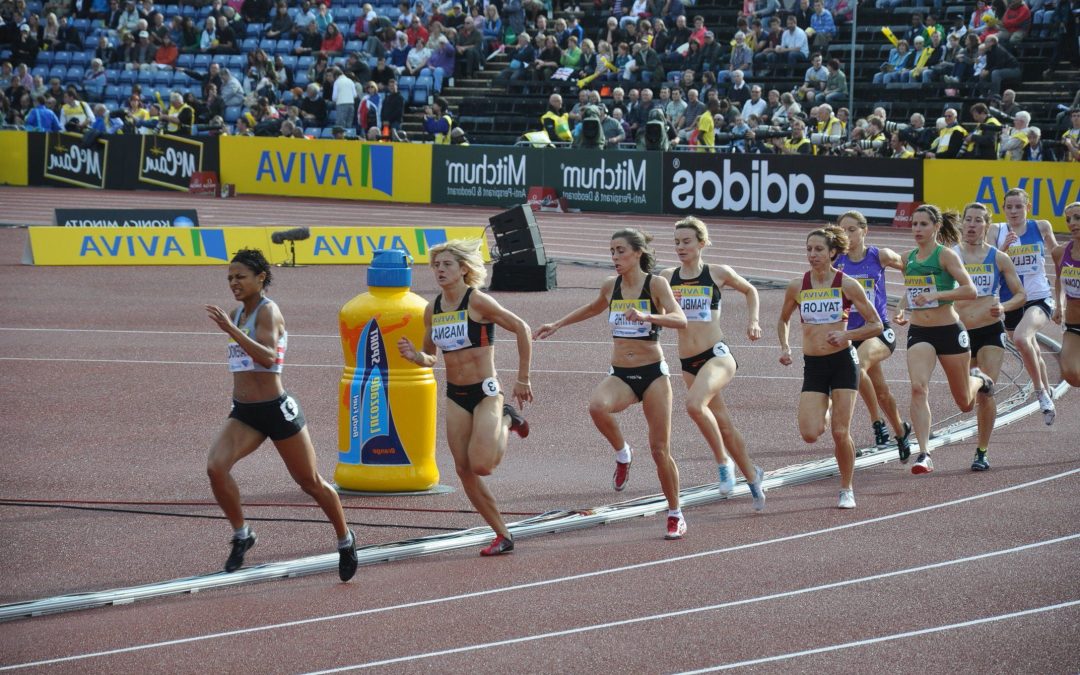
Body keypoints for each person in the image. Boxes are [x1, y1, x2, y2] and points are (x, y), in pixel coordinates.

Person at [204, 249, 357, 580]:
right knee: (216, 467)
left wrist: (231, 330)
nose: (233, 283)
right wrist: (233, 327)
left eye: (240, 276)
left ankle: (345, 539)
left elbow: (269, 357)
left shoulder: (268, 311)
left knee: (310, 482)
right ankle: (242, 534)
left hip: (277, 410)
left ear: (260, 278)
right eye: (229, 278)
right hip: (245, 413)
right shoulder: (237, 313)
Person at [533, 229, 690, 539]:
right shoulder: (611, 285)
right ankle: (623, 453)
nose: (615, 257)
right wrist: (557, 324)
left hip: (653, 375)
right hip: (621, 373)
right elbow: (593, 307)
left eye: (620, 251)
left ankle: (675, 513)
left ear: (637, 253)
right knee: (597, 407)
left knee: (660, 450)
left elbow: (680, 319)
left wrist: (648, 317)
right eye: (612, 252)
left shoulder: (655, 284)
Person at [397, 240, 533, 556]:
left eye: (447, 264)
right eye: (436, 265)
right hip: (455, 395)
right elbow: (431, 357)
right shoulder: (432, 309)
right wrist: (416, 357)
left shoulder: (477, 301)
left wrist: (522, 378)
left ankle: (508, 418)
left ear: (463, 269)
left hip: (485, 392)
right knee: (463, 470)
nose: (440, 270)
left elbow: (522, 328)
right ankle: (502, 535)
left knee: (482, 465)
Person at [660, 217, 766, 510]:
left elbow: (750, 290)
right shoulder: (667, 277)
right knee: (723, 423)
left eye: (686, 241)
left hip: (716, 356)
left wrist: (754, 321)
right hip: (688, 362)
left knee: (694, 406)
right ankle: (753, 477)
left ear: (702, 243)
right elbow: (657, 308)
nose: (680, 247)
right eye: (677, 242)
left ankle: (723, 463)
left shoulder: (718, 273)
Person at [778, 226, 884, 509]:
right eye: (809, 249)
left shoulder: (847, 284)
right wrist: (785, 347)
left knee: (840, 432)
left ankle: (846, 488)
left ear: (833, 252)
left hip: (842, 363)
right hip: (813, 365)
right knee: (810, 433)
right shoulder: (798, 285)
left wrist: (847, 335)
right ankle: (826, 405)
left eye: (819, 249)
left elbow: (876, 325)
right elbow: (784, 319)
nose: (812, 255)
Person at [894, 205, 993, 475]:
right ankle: (924, 453)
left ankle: (979, 380)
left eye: (923, 224)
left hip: (949, 330)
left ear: (936, 227)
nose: (917, 229)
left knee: (965, 403)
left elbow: (970, 289)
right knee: (918, 388)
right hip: (920, 332)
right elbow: (913, 290)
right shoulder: (908, 258)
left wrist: (937, 295)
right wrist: (902, 308)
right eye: (914, 224)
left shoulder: (945, 255)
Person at [953, 202, 1026, 471]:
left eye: (978, 220)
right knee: (965, 402)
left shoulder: (998, 257)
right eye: (968, 219)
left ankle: (982, 451)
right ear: (962, 223)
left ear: (987, 225)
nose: (972, 225)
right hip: (959, 333)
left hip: (990, 330)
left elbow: (1021, 295)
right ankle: (978, 379)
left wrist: (1004, 307)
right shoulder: (950, 256)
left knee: (986, 392)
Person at [834, 210, 912, 459]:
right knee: (881, 391)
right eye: (842, 230)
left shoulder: (880, 256)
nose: (847, 235)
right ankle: (901, 430)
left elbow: (910, 267)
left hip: (879, 331)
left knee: (856, 366)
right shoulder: (836, 261)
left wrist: (905, 302)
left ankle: (877, 422)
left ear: (865, 231)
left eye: (852, 230)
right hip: (852, 333)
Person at [987, 188, 1060, 424]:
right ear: (1003, 208)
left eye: (1019, 206)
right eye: (1009, 207)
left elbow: (1059, 257)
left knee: (1021, 338)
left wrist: (1061, 301)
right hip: (1011, 301)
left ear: (1028, 207)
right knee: (1032, 349)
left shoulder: (1041, 226)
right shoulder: (996, 230)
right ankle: (1048, 392)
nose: (1014, 211)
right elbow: (986, 264)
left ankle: (1040, 393)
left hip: (1038, 297)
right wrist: (1003, 249)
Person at [1051, 202, 1080, 386]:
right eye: (1068, 219)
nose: (1072, 223)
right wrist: (1059, 305)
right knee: (1070, 374)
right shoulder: (1059, 252)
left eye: (1078, 217)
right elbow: (1059, 280)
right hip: (1073, 322)